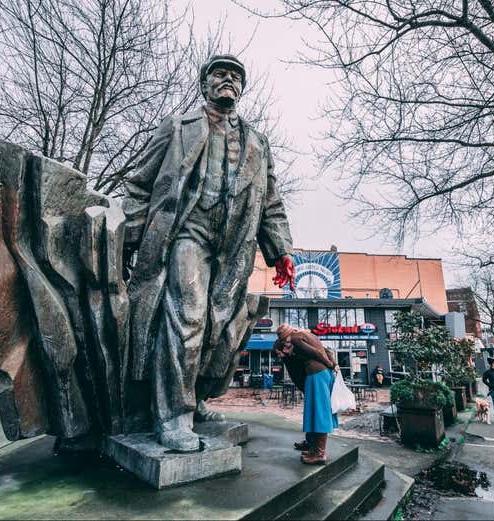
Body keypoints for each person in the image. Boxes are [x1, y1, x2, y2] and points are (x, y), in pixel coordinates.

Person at [122, 54, 295, 452]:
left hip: (235, 246)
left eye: (235, 76)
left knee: (220, 325)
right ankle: (172, 416)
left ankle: (196, 398)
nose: (228, 80)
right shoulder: (178, 127)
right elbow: (139, 184)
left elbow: (271, 202)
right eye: (220, 74)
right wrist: (128, 236)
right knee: (189, 316)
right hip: (187, 234)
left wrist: (281, 250)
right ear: (205, 84)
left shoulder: (257, 142)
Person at [274, 324, 338, 465]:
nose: (282, 352)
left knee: (319, 412)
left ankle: (320, 453)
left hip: (316, 374)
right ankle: (315, 448)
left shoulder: (296, 339)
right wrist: (332, 365)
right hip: (322, 374)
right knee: (317, 411)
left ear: (286, 338)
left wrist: (330, 364)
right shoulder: (308, 335)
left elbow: (317, 353)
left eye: (282, 348)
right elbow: (326, 351)